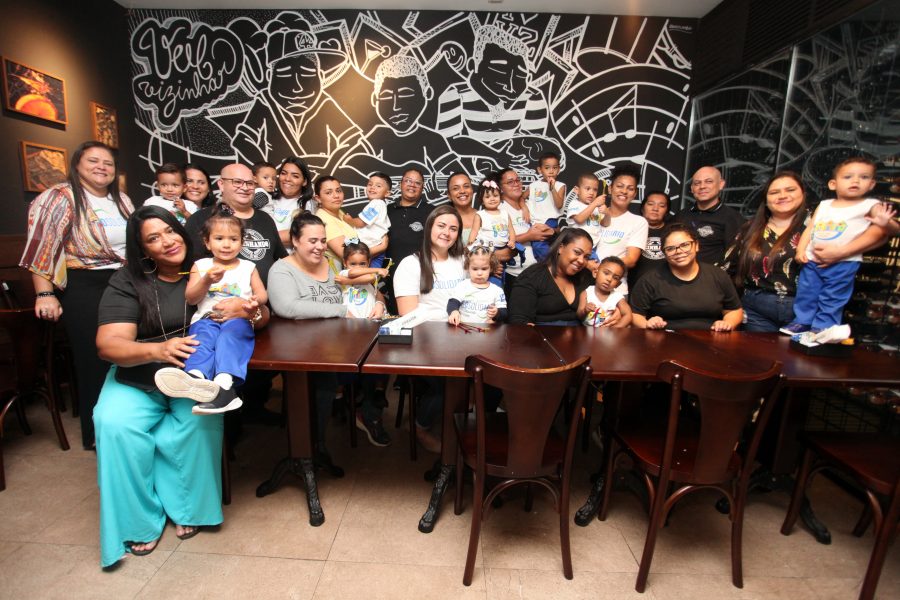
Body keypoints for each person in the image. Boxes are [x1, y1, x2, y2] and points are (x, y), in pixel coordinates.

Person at [93, 205, 267, 567]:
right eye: (153, 238)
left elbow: (261, 314)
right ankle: (138, 521)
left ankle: (187, 507)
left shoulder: (213, 265)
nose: (167, 241)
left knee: (197, 420)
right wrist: (157, 349)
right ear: (143, 249)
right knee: (114, 423)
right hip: (139, 375)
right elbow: (108, 344)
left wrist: (247, 309)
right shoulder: (128, 281)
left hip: (190, 377)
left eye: (170, 230)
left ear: (183, 232)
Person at [20, 140, 133, 449]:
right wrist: (45, 294)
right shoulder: (59, 197)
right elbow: (42, 248)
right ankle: (97, 435)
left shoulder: (122, 199)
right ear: (77, 165)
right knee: (95, 357)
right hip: (84, 283)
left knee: (127, 353)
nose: (101, 167)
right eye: (93, 161)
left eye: (108, 162)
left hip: (124, 281)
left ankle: (126, 425)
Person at [267, 213, 379, 460]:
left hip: (335, 346)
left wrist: (379, 302)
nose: (320, 246)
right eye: (312, 241)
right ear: (295, 240)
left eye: (323, 240)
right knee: (321, 389)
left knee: (373, 368)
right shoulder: (282, 270)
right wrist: (340, 310)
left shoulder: (331, 265)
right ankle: (308, 452)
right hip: (300, 351)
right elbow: (288, 307)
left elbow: (362, 287)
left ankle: (321, 444)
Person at [155, 206, 267, 414]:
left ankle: (224, 385)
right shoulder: (200, 266)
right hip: (206, 319)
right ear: (207, 242)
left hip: (238, 319)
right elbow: (191, 297)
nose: (226, 244)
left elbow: (262, 294)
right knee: (201, 341)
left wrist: (254, 302)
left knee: (230, 340)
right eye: (219, 238)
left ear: (242, 242)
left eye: (233, 239)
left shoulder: (248, 267)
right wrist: (206, 280)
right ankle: (196, 377)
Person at [782, 157, 898, 336]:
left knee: (833, 296)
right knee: (807, 293)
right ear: (833, 184)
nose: (855, 181)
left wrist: (886, 223)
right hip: (811, 260)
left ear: (872, 184)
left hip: (844, 263)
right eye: (848, 177)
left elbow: (894, 230)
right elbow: (810, 228)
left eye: (864, 177)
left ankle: (824, 326)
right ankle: (802, 321)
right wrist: (800, 250)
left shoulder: (870, 205)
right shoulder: (825, 205)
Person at [393, 206, 467, 451]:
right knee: (448, 383)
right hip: (425, 341)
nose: (447, 232)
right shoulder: (410, 264)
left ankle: (460, 426)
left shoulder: (464, 261)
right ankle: (419, 426)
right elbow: (408, 314)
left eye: (453, 228)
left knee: (483, 376)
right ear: (429, 228)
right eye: (441, 226)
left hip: (462, 337)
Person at [186, 163, 287, 285]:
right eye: (237, 182)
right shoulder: (201, 219)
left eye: (250, 183)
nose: (245, 187)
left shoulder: (265, 219)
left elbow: (283, 259)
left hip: (265, 295)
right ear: (221, 184)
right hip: (220, 295)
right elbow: (191, 270)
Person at [630, 223, 743, 331]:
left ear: (696, 245)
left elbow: (734, 310)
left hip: (711, 338)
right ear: (664, 253)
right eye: (670, 248)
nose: (679, 251)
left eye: (685, 245)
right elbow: (635, 314)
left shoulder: (718, 275)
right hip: (665, 338)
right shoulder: (650, 280)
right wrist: (648, 324)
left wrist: (726, 323)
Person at [508, 228, 594, 326]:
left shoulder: (586, 276)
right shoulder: (532, 276)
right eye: (577, 252)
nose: (581, 261)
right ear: (560, 248)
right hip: (543, 334)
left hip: (580, 334)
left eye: (586, 257)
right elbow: (518, 319)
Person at [593, 165, 649, 296]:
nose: (624, 191)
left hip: (616, 291)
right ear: (610, 188)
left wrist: (600, 269)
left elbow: (631, 259)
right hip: (585, 283)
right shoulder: (593, 214)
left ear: (635, 194)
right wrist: (587, 264)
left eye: (630, 188)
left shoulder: (638, 222)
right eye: (620, 186)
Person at [315, 175, 387, 274]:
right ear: (318, 198)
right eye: (328, 192)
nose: (336, 195)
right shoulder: (323, 219)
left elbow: (352, 241)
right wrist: (381, 247)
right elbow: (348, 255)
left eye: (338, 191)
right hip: (338, 275)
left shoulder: (339, 213)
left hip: (355, 273)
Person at [384, 167, 434, 311]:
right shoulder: (386, 210)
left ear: (422, 188)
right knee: (391, 317)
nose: (412, 185)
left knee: (417, 315)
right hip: (388, 276)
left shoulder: (432, 212)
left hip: (419, 276)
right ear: (401, 184)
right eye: (408, 181)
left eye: (417, 183)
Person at [674, 166, 744, 266]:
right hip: (677, 273)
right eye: (697, 183)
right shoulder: (681, 215)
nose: (702, 186)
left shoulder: (732, 218)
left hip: (713, 274)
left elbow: (734, 258)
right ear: (692, 188)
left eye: (709, 181)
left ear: (721, 184)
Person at [498, 168, 553, 295]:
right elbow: (499, 242)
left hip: (539, 272)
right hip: (514, 274)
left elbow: (552, 226)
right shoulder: (499, 210)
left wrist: (550, 231)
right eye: (510, 182)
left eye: (518, 180)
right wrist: (528, 236)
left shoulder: (530, 204)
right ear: (501, 188)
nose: (516, 184)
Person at [469, 176, 517, 285]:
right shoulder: (480, 214)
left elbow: (511, 229)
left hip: (503, 247)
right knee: (491, 275)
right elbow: (474, 231)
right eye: (487, 197)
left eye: (495, 196)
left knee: (500, 273)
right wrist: (471, 243)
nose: (492, 199)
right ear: (482, 200)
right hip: (487, 248)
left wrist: (512, 240)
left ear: (500, 197)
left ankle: (499, 289)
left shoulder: (505, 213)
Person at [341, 172, 392, 268]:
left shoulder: (376, 203)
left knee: (369, 274)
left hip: (372, 246)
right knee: (370, 274)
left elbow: (361, 223)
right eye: (370, 184)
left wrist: (349, 220)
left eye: (378, 186)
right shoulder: (380, 205)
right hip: (374, 246)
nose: (372, 187)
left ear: (387, 193)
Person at [447, 246, 508, 325]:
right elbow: (453, 302)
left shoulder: (497, 291)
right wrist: (454, 312)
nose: (479, 273)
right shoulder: (463, 285)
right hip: (463, 329)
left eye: (484, 269)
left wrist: (497, 313)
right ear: (468, 267)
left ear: (491, 268)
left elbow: (504, 313)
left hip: (486, 330)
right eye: (475, 269)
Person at [525, 151, 566, 261]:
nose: (551, 171)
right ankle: (549, 264)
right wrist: (525, 209)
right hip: (535, 222)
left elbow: (559, 205)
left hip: (550, 221)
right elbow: (521, 198)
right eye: (547, 168)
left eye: (554, 168)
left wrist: (552, 188)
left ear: (559, 169)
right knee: (536, 247)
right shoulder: (533, 185)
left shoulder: (560, 186)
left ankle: (552, 264)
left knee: (540, 245)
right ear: (540, 170)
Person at [264, 156, 314, 246]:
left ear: (304, 181)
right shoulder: (268, 197)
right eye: (283, 173)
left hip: (287, 254)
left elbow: (299, 233)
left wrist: (262, 237)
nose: (287, 179)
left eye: (295, 176)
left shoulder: (306, 204)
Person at [628, 191, 670, 289]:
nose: (655, 209)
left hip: (665, 288)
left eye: (661, 206)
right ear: (642, 208)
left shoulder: (672, 232)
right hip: (634, 286)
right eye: (650, 204)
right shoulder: (631, 228)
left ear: (667, 211)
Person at [338, 242, 389, 319]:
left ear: (368, 262)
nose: (358, 268)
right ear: (345, 263)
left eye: (362, 264)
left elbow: (370, 278)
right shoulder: (343, 274)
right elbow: (353, 273)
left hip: (370, 319)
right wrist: (378, 269)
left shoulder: (370, 275)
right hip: (350, 320)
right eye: (353, 264)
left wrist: (348, 281)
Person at [578, 256, 632, 328]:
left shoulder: (617, 297)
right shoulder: (586, 293)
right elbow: (579, 315)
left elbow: (628, 315)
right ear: (595, 273)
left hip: (608, 333)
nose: (609, 279)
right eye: (606, 273)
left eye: (615, 278)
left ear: (617, 284)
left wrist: (616, 328)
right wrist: (585, 310)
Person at [565, 172, 610, 247]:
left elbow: (605, 224)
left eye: (595, 190)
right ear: (577, 190)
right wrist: (594, 203)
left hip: (594, 246)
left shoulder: (596, 206)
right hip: (577, 244)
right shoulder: (574, 203)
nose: (591, 193)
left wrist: (607, 213)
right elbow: (579, 219)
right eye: (587, 189)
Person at [447, 172, 477, 242]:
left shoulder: (485, 216)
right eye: (456, 188)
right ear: (449, 195)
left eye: (466, 186)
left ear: (472, 190)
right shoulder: (444, 220)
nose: (462, 191)